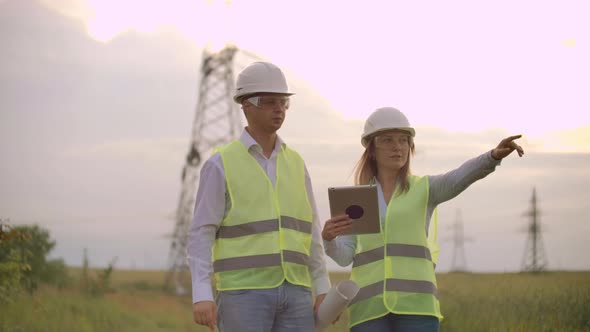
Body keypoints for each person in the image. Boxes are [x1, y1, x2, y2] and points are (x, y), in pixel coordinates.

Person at [322, 107, 524, 332]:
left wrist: (492, 156)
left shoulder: (425, 189)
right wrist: (329, 240)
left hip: (417, 308)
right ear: (371, 150)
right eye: (387, 140)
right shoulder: (356, 199)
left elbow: (460, 176)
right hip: (368, 311)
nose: (397, 147)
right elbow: (345, 256)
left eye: (403, 140)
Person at [187, 61, 331, 332]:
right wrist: (202, 293)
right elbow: (201, 233)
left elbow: (311, 230)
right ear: (245, 105)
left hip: (297, 293)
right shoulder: (221, 164)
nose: (278, 109)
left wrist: (322, 285)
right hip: (242, 294)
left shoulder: (297, 163)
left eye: (283, 102)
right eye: (269, 102)